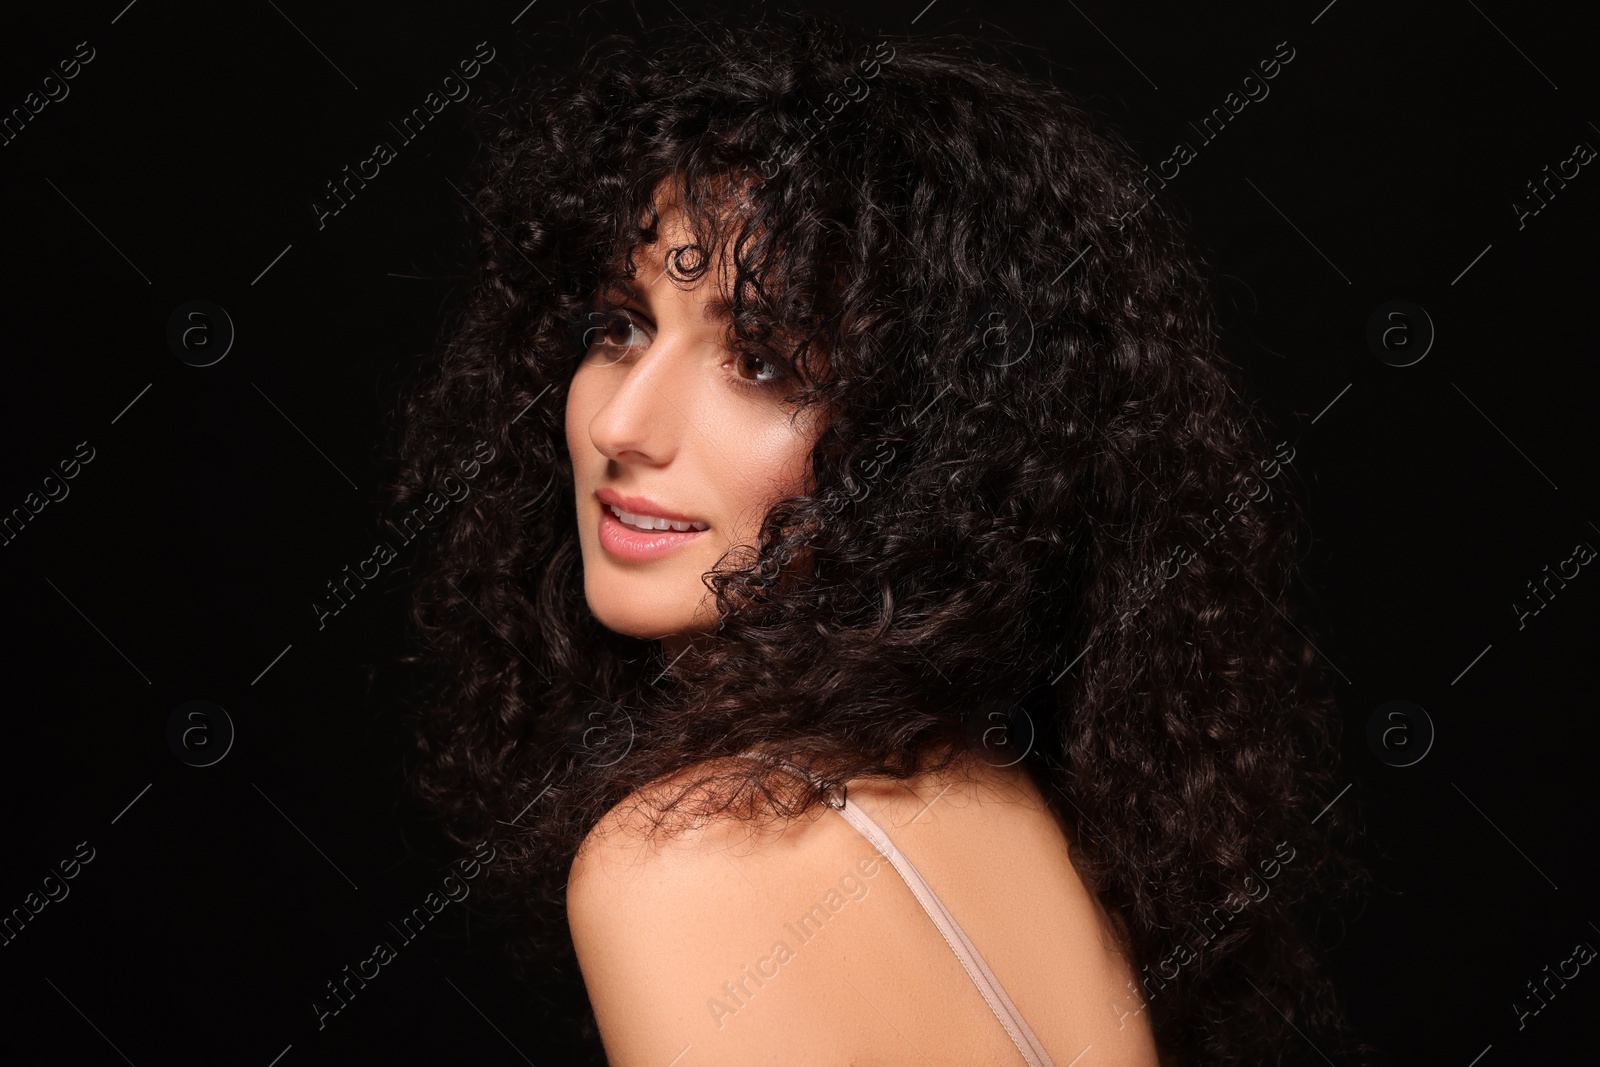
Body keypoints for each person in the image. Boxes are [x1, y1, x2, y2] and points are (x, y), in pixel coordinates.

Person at [384, 11, 1376, 1066]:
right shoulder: (1000, 799)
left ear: (936, 441)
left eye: (761, 361)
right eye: (619, 327)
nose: (621, 424)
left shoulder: (681, 865)